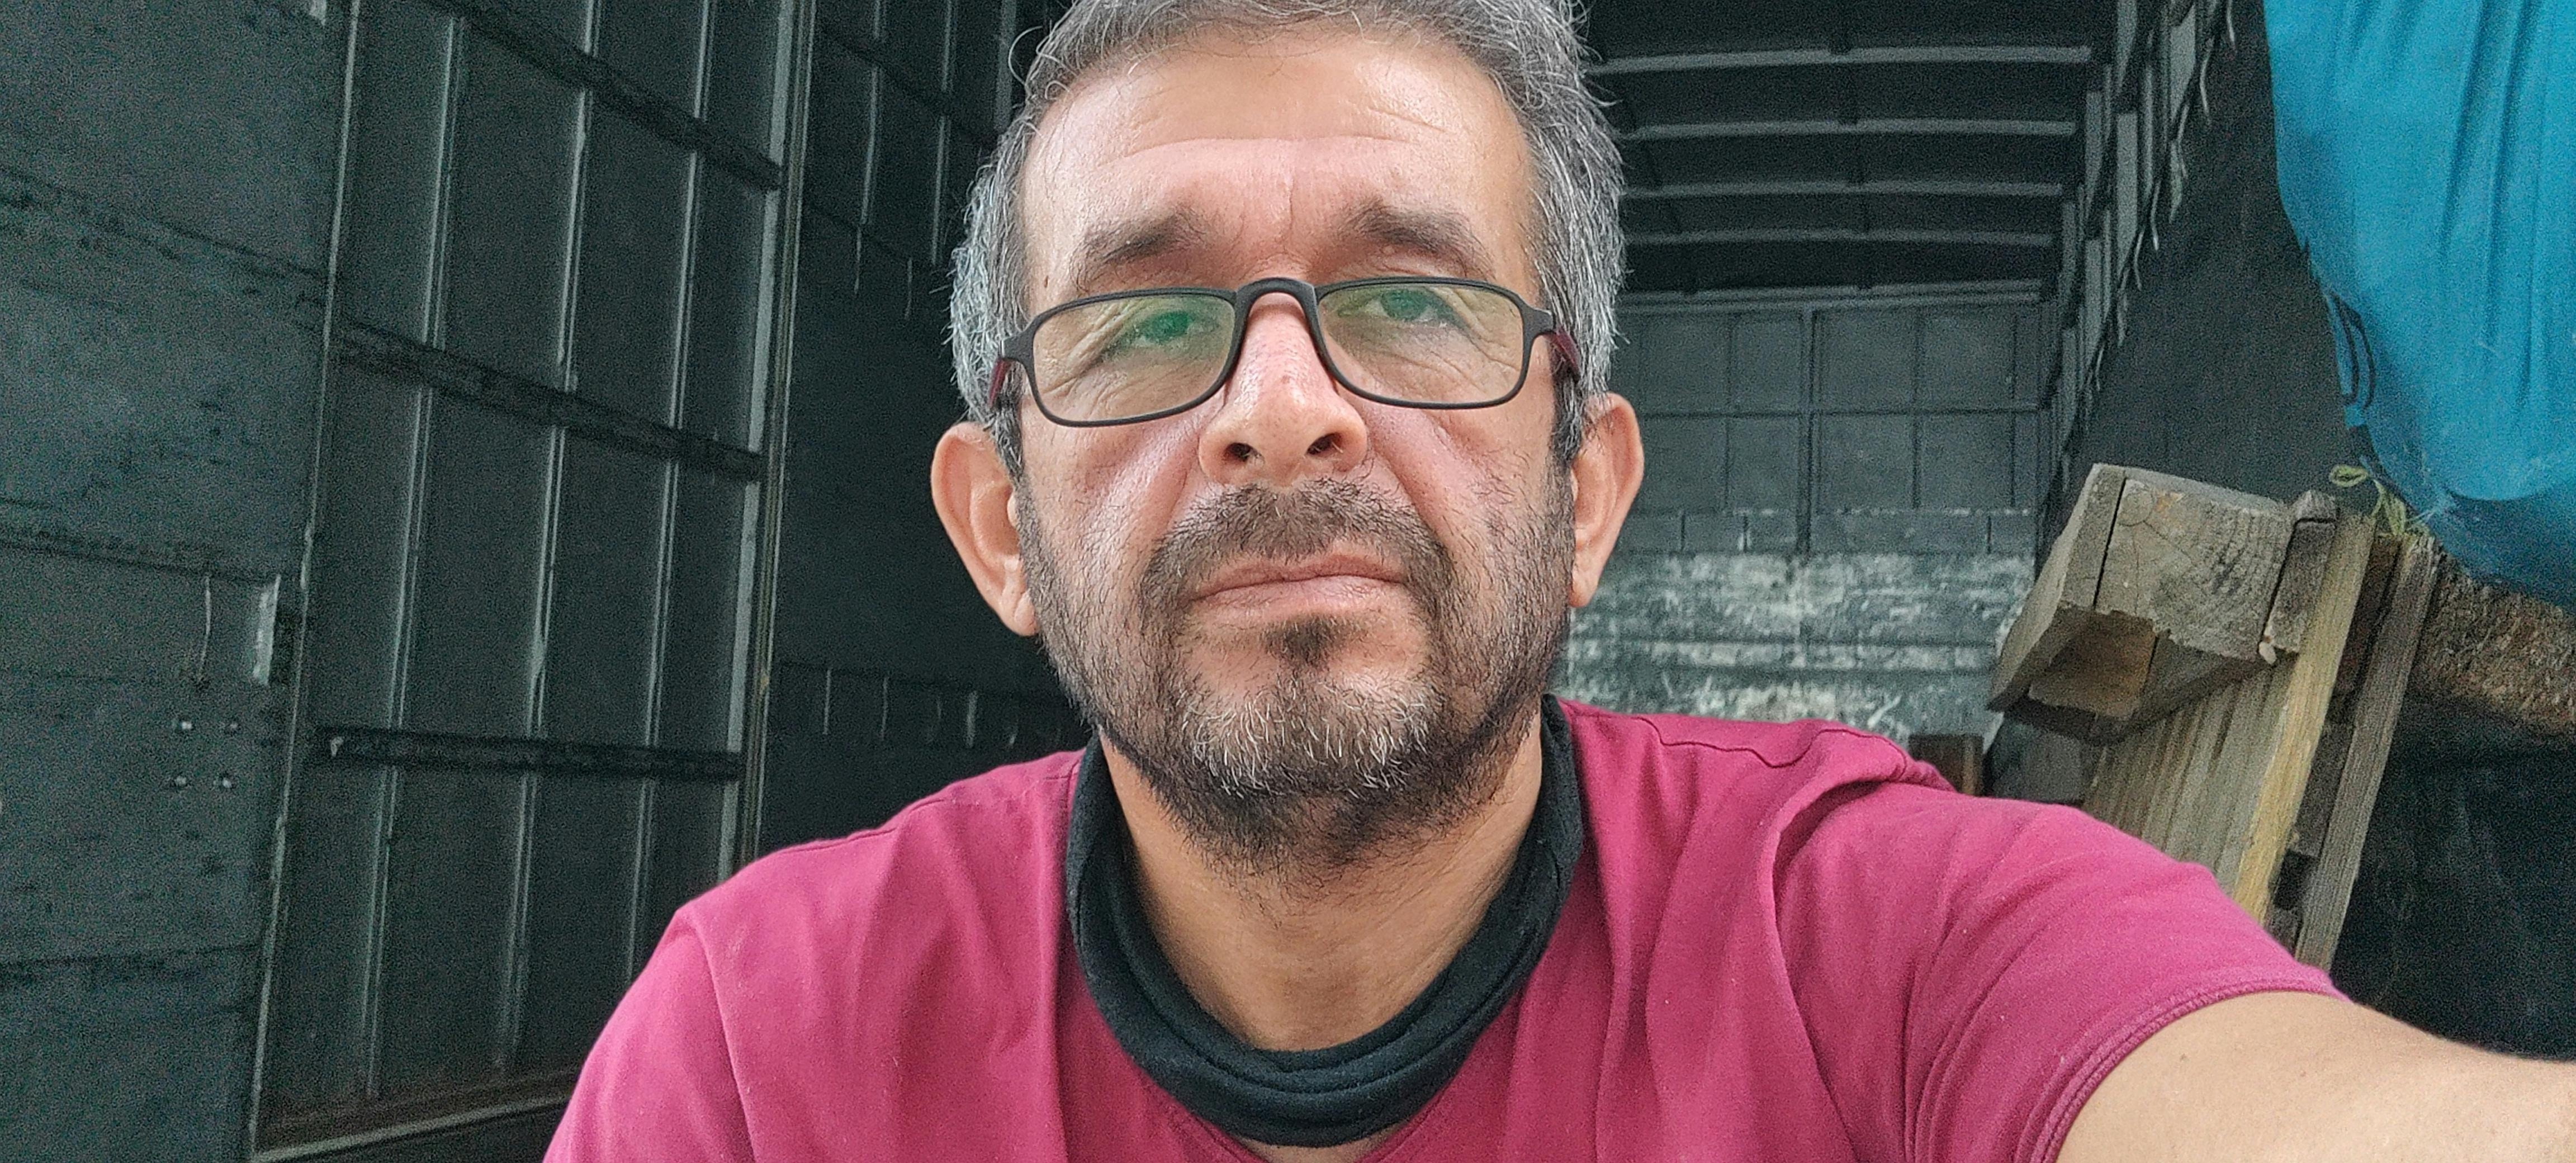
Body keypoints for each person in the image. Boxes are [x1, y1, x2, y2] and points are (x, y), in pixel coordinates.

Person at [548, 2, 2576, 1160]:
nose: (1280, 406)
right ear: (1001, 524)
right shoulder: (764, 1047)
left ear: (1587, 490)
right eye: (1144, 328)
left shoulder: (1886, 939)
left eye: (1414, 303)